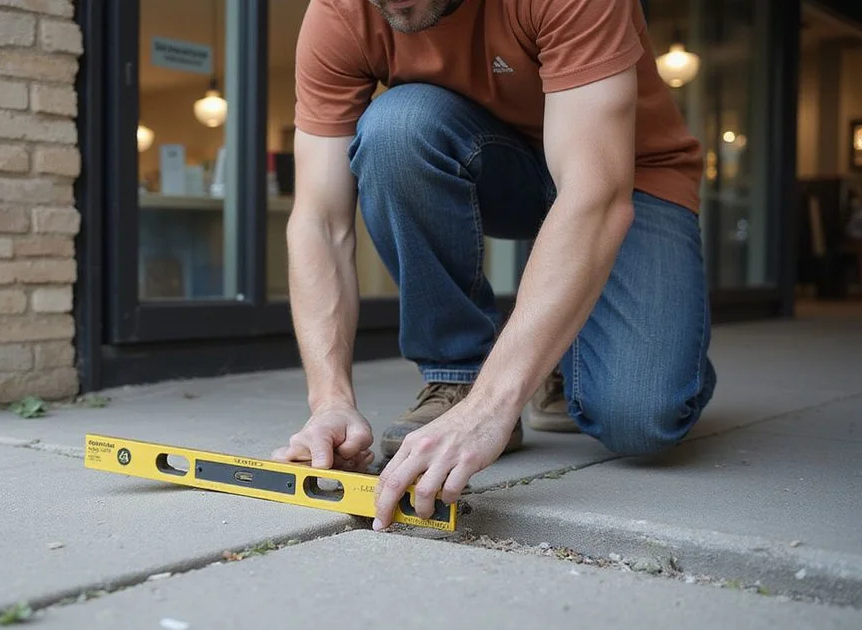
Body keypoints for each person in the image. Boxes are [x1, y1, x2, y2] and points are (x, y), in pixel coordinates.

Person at [271, 0, 717, 531]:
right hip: (499, 163)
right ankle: (458, 377)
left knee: (641, 420)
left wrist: (493, 408)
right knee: (396, 128)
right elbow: (320, 221)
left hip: (627, 173)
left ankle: (565, 358)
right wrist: (329, 402)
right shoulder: (341, 12)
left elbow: (595, 196)